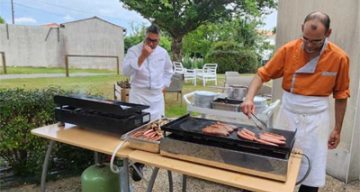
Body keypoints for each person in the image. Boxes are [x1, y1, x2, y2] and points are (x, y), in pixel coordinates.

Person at [241, 11, 349, 192]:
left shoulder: (339, 58)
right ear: (301, 29)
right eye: (306, 38)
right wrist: (249, 97)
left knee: (311, 169)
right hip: (288, 115)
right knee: (278, 164)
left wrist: (337, 129)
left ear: (328, 34)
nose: (309, 45)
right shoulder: (288, 50)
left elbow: (341, 96)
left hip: (317, 118)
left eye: (316, 41)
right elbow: (262, 75)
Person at [122, 24, 174, 181]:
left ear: (159, 39)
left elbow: (168, 71)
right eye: (149, 40)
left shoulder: (163, 53)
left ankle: (153, 158)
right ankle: (138, 163)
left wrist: (165, 85)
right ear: (145, 36)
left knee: (156, 128)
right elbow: (126, 72)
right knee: (139, 129)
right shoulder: (133, 50)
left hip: (156, 96)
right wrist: (142, 57)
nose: (152, 44)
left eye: (155, 41)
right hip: (139, 95)